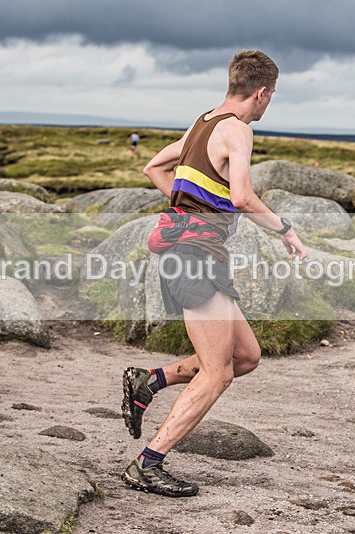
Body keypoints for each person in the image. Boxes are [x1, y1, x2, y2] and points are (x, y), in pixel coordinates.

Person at [120, 50, 307, 498]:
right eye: (271, 96)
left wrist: (193, 211)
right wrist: (285, 229)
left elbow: (155, 167)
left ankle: (150, 381)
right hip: (196, 256)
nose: (268, 104)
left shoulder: (201, 123)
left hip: (191, 251)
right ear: (261, 92)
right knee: (218, 372)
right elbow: (242, 196)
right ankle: (148, 464)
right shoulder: (238, 130)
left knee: (245, 357)